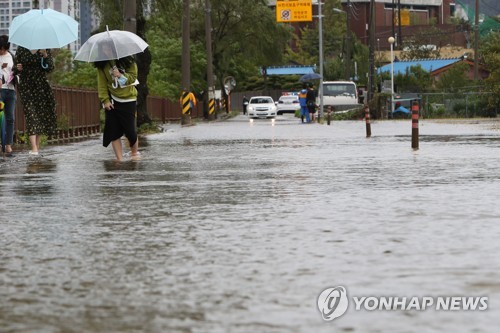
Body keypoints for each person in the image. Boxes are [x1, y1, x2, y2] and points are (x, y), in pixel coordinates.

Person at [94, 44, 140, 161]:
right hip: (113, 100)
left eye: (109, 47)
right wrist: (105, 100)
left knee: (130, 131)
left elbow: (133, 77)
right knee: (113, 131)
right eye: (104, 47)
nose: (106, 49)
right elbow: (102, 84)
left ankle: (134, 154)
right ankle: (119, 159)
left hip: (129, 98)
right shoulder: (102, 64)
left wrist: (120, 75)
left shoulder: (127, 60)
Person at [15, 46, 57, 156]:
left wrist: (45, 55)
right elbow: (14, 68)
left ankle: (37, 146)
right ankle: (34, 147)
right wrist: (17, 67)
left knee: (40, 115)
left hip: (41, 86)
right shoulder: (21, 48)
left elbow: (50, 68)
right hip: (26, 86)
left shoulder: (44, 48)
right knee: (31, 114)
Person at [0, 35, 16, 157]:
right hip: (0, 90)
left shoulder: (11, 56)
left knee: (10, 118)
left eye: (3, 48)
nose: (1, 51)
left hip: (11, 90)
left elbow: (14, 71)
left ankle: (8, 145)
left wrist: (18, 70)